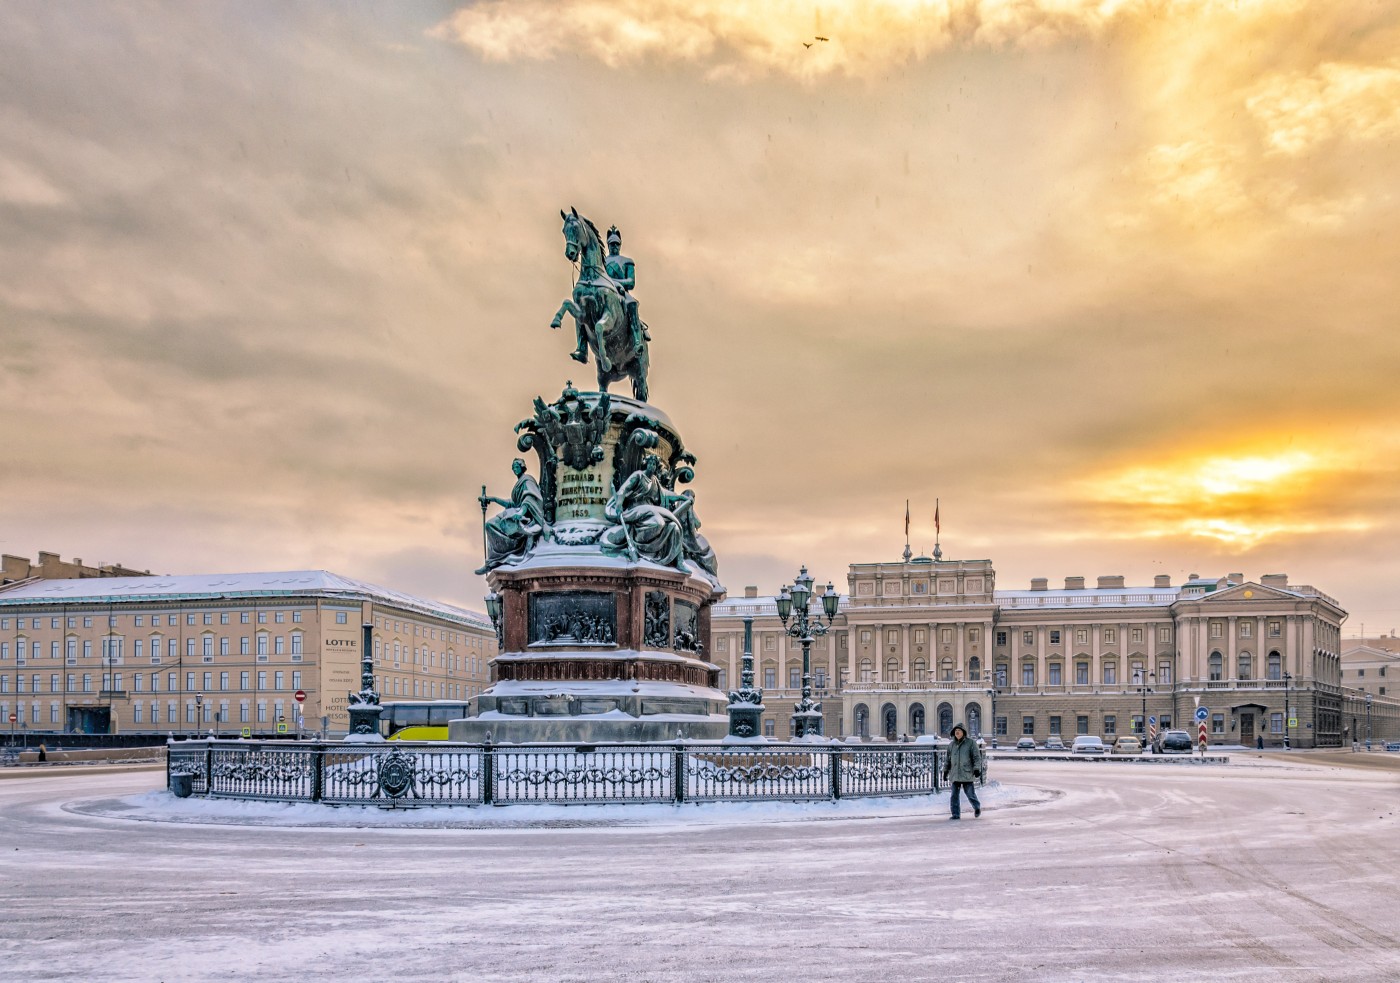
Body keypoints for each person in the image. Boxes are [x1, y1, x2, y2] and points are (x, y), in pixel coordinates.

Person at [604, 226, 649, 354]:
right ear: (608, 245)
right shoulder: (602, 262)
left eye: (616, 244)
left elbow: (631, 282)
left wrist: (614, 282)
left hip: (622, 293)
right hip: (606, 292)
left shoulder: (627, 262)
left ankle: (637, 341)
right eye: (612, 244)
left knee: (632, 304)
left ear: (620, 245)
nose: (614, 247)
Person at [942, 723, 983, 820]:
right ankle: (955, 814)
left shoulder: (971, 743)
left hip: (966, 773)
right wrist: (945, 771)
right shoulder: (951, 745)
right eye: (955, 731)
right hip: (955, 774)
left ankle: (977, 807)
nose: (957, 732)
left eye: (959, 731)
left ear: (963, 732)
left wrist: (977, 769)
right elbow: (948, 759)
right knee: (954, 796)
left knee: (970, 794)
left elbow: (976, 758)